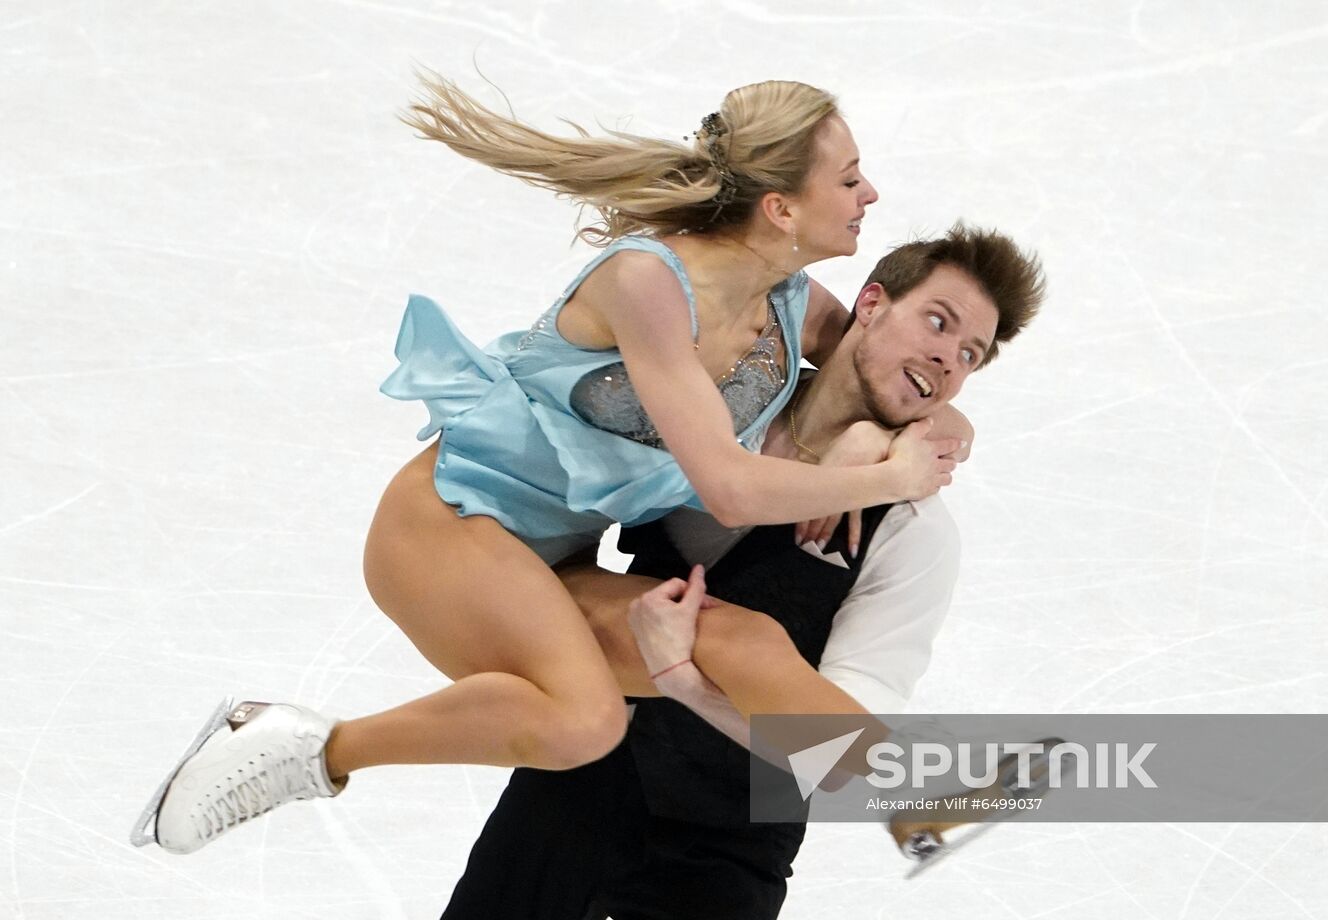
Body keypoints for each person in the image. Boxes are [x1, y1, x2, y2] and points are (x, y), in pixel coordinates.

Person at [130, 75, 968, 856]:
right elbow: (729, 484)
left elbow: (890, 377)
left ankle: (916, 794)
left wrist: (904, 432)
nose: (870, 196)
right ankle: (305, 748)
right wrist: (888, 479)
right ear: (783, 207)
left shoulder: (789, 301)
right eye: (851, 178)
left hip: (552, 558)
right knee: (582, 722)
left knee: (746, 646)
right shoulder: (649, 282)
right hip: (451, 527)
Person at [445, 228, 1045, 919]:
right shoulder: (725, 405)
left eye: (970, 354)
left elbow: (841, 752)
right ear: (872, 303)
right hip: (568, 792)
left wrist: (688, 686)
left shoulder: (914, 535)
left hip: (721, 851)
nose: (947, 357)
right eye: (938, 322)